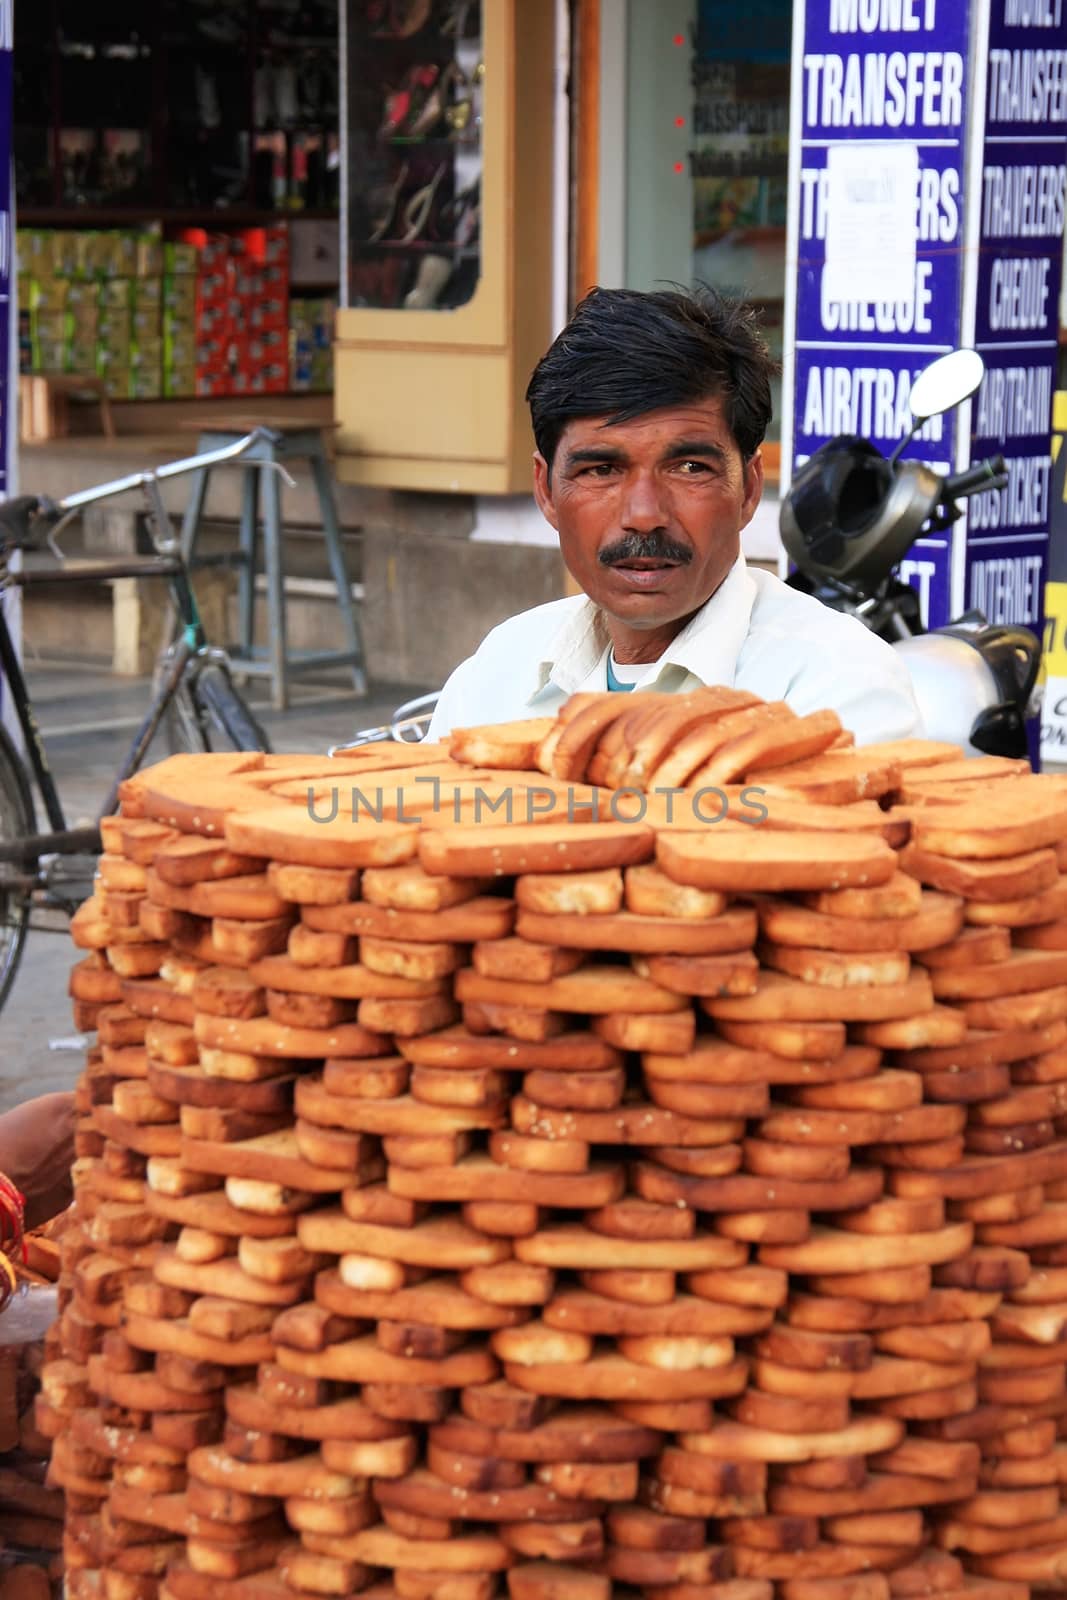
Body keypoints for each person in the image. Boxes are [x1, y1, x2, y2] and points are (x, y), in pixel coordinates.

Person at [426, 286, 921, 744]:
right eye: (602, 469)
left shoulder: (835, 688)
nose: (644, 516)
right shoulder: (500, 669)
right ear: (547, 491)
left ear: (748, 490)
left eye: (689, 467)